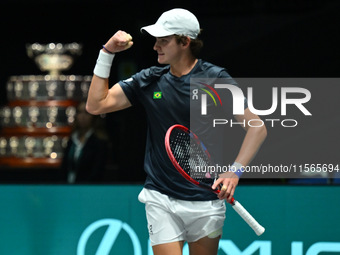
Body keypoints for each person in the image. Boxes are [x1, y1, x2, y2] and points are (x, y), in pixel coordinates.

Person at [86, 8, 267, 255]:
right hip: (161, 198)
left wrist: (234, 171)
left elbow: (257, 128)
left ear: (185, 41)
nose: (155, 47)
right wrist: (106, 53)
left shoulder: (215, 78)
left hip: (206, 200)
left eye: (164, 40)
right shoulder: (149, 80)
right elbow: (96, 105)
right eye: (156, 40)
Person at [61, 101, 108, 183]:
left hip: (88, 189)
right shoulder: (72, 139)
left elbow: (97, 172)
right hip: (68, 188)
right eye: (80, 112)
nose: (82, 117)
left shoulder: (99, 142)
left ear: (93, 116)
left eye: (87, 113)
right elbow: (65, 167)